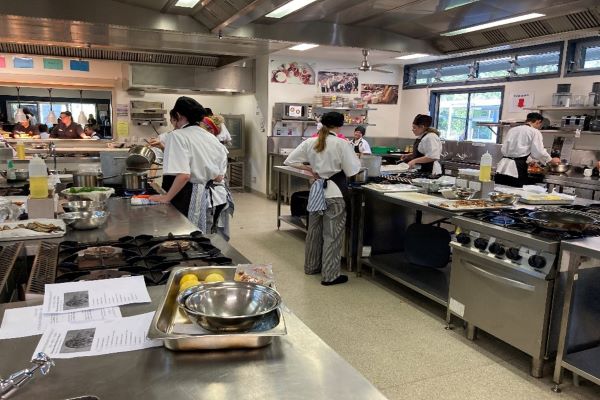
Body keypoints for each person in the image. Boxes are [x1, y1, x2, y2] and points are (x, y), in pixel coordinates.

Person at [284, 112, 361, 286]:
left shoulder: (311, 142)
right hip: (335, 194)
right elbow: (352, 171)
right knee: (332, 236)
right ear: (340, 125)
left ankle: (311, 267)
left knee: (314, 233)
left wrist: (310, 169)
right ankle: (330, 275)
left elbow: (289, 161)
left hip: (316, 192)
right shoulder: (342, 144)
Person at [148, 97, 229, 236]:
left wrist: (166, 197)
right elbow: (219, 176)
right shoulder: (212, 139)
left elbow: (184, 175)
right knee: (196, 236)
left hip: (184, 195)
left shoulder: (177, 135)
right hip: (202, 195)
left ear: (178, 115)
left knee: (180, 234)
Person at [495, 112, 561, 187]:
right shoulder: (534, 132)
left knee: (500, 191)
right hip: (516, 169)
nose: (539, 127)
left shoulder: (513, 130)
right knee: (516, 193)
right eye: (540, 125)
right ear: (538, 121)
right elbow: (539, 152)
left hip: (502, 166)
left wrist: (530, 161)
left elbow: (516, 149)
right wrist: (551, 160)